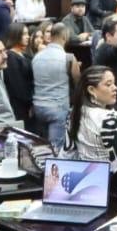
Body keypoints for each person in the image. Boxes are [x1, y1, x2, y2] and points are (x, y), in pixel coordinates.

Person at [67, 66, 117, 170]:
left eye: (114, 83)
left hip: (84, 176)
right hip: (111, 178)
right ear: (91, 90)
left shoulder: (74, 113)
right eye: (108, 84)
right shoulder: (111, 119)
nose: (115, 88)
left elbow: (67, 154)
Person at [33, 23, 79, 152]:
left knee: (41, 148)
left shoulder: (37, 57)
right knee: (55, 149)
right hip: (58, 108)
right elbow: (78, 83)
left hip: (38, 106)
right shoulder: (68, 58)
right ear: (65, 36)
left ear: (51, 36)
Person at [2, 24, 35, 123]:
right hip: (19, 106)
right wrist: (29, 102)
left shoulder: (23, 54)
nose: (28, 37)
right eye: (24, 34)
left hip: (27, 102)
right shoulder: (10, 57)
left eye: (28, 34)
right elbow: (17, 85)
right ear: (15, 35)